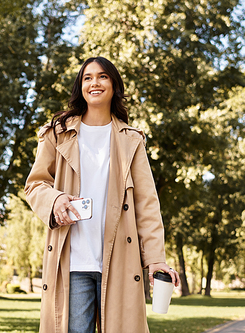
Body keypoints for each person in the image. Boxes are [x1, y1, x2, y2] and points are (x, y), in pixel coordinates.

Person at [25, 56, 180, 333]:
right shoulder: (57, 133)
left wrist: (155, 259)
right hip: (72, 262)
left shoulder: (132, 140)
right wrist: (56, 199)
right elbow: (35, 185)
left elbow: (147, 203)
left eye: (102, 76)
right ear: (80, 86)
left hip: (121, 260)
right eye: (87, 77)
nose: (94, 82)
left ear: (113, 85)